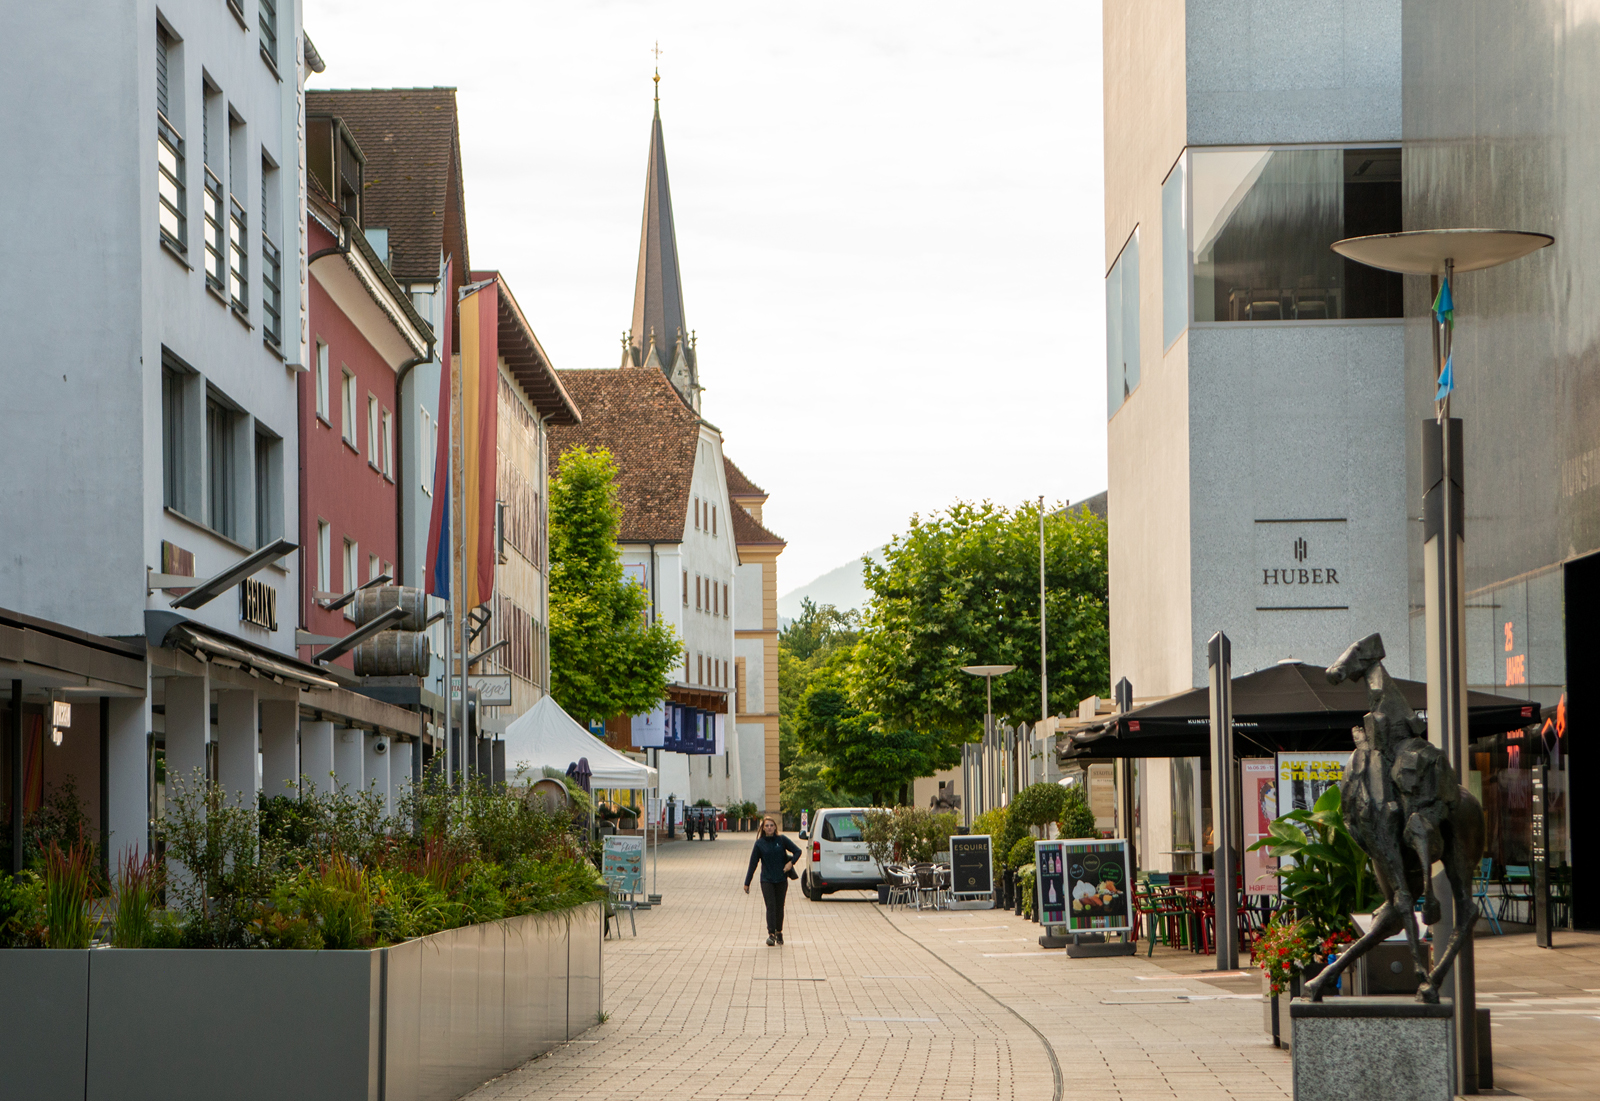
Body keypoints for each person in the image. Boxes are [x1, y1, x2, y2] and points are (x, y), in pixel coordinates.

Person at [743, 815, 802, 946]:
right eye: (766, 826)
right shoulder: (759, 844)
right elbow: (753, 864)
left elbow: (798, 851)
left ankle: (779, 931)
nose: (769, 828)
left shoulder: (781, 840)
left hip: (781, 879)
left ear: (775, 827)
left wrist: (791, 863)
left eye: (771, 825)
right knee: (771, 906)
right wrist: (747, 882)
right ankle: (771, 934)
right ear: (763, 828)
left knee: (779, 906)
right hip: (767, 879)